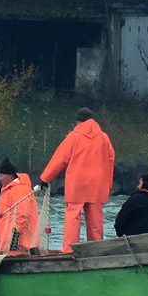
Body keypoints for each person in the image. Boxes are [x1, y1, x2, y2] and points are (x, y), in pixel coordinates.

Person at [40, 107, 115, 253]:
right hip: (97, 184)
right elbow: (110, 160)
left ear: (78, 121)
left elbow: (60, 159)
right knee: (95, 219)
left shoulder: (74, 136)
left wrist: (45, 178)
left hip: (77, 183)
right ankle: (96, 249)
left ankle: (69, 249)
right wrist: (108, 183)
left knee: (73, 216)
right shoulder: (104, 138)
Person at [0, 159, 39, 255]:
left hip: (18, 246)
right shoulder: (10, 189)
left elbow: (22, 215)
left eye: (1, 176)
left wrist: (14, 238)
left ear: (10, 176)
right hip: (8, 244)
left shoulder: (20, 189)